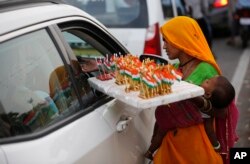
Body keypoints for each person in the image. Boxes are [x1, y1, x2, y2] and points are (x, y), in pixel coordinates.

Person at [149, 16, 239, 164]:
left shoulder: (206, 70)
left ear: (181, 39)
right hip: (173, 142)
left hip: (196, 147)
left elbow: (222, 111)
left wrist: (198, 103)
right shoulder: (176, 69)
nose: (164, 46)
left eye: (167, 41)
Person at [144, 75, 236, 160]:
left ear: (208, 94)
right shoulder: (209, 113)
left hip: (167, 113)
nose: (205, 80)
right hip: (171, 120)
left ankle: (150, 150)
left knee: (159, 131)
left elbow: (189, 94)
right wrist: (216, 145)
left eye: (208, 82)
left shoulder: (201, 102)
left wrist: (188, 85)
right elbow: (210, 131)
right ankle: (150, 151)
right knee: (160, 132)